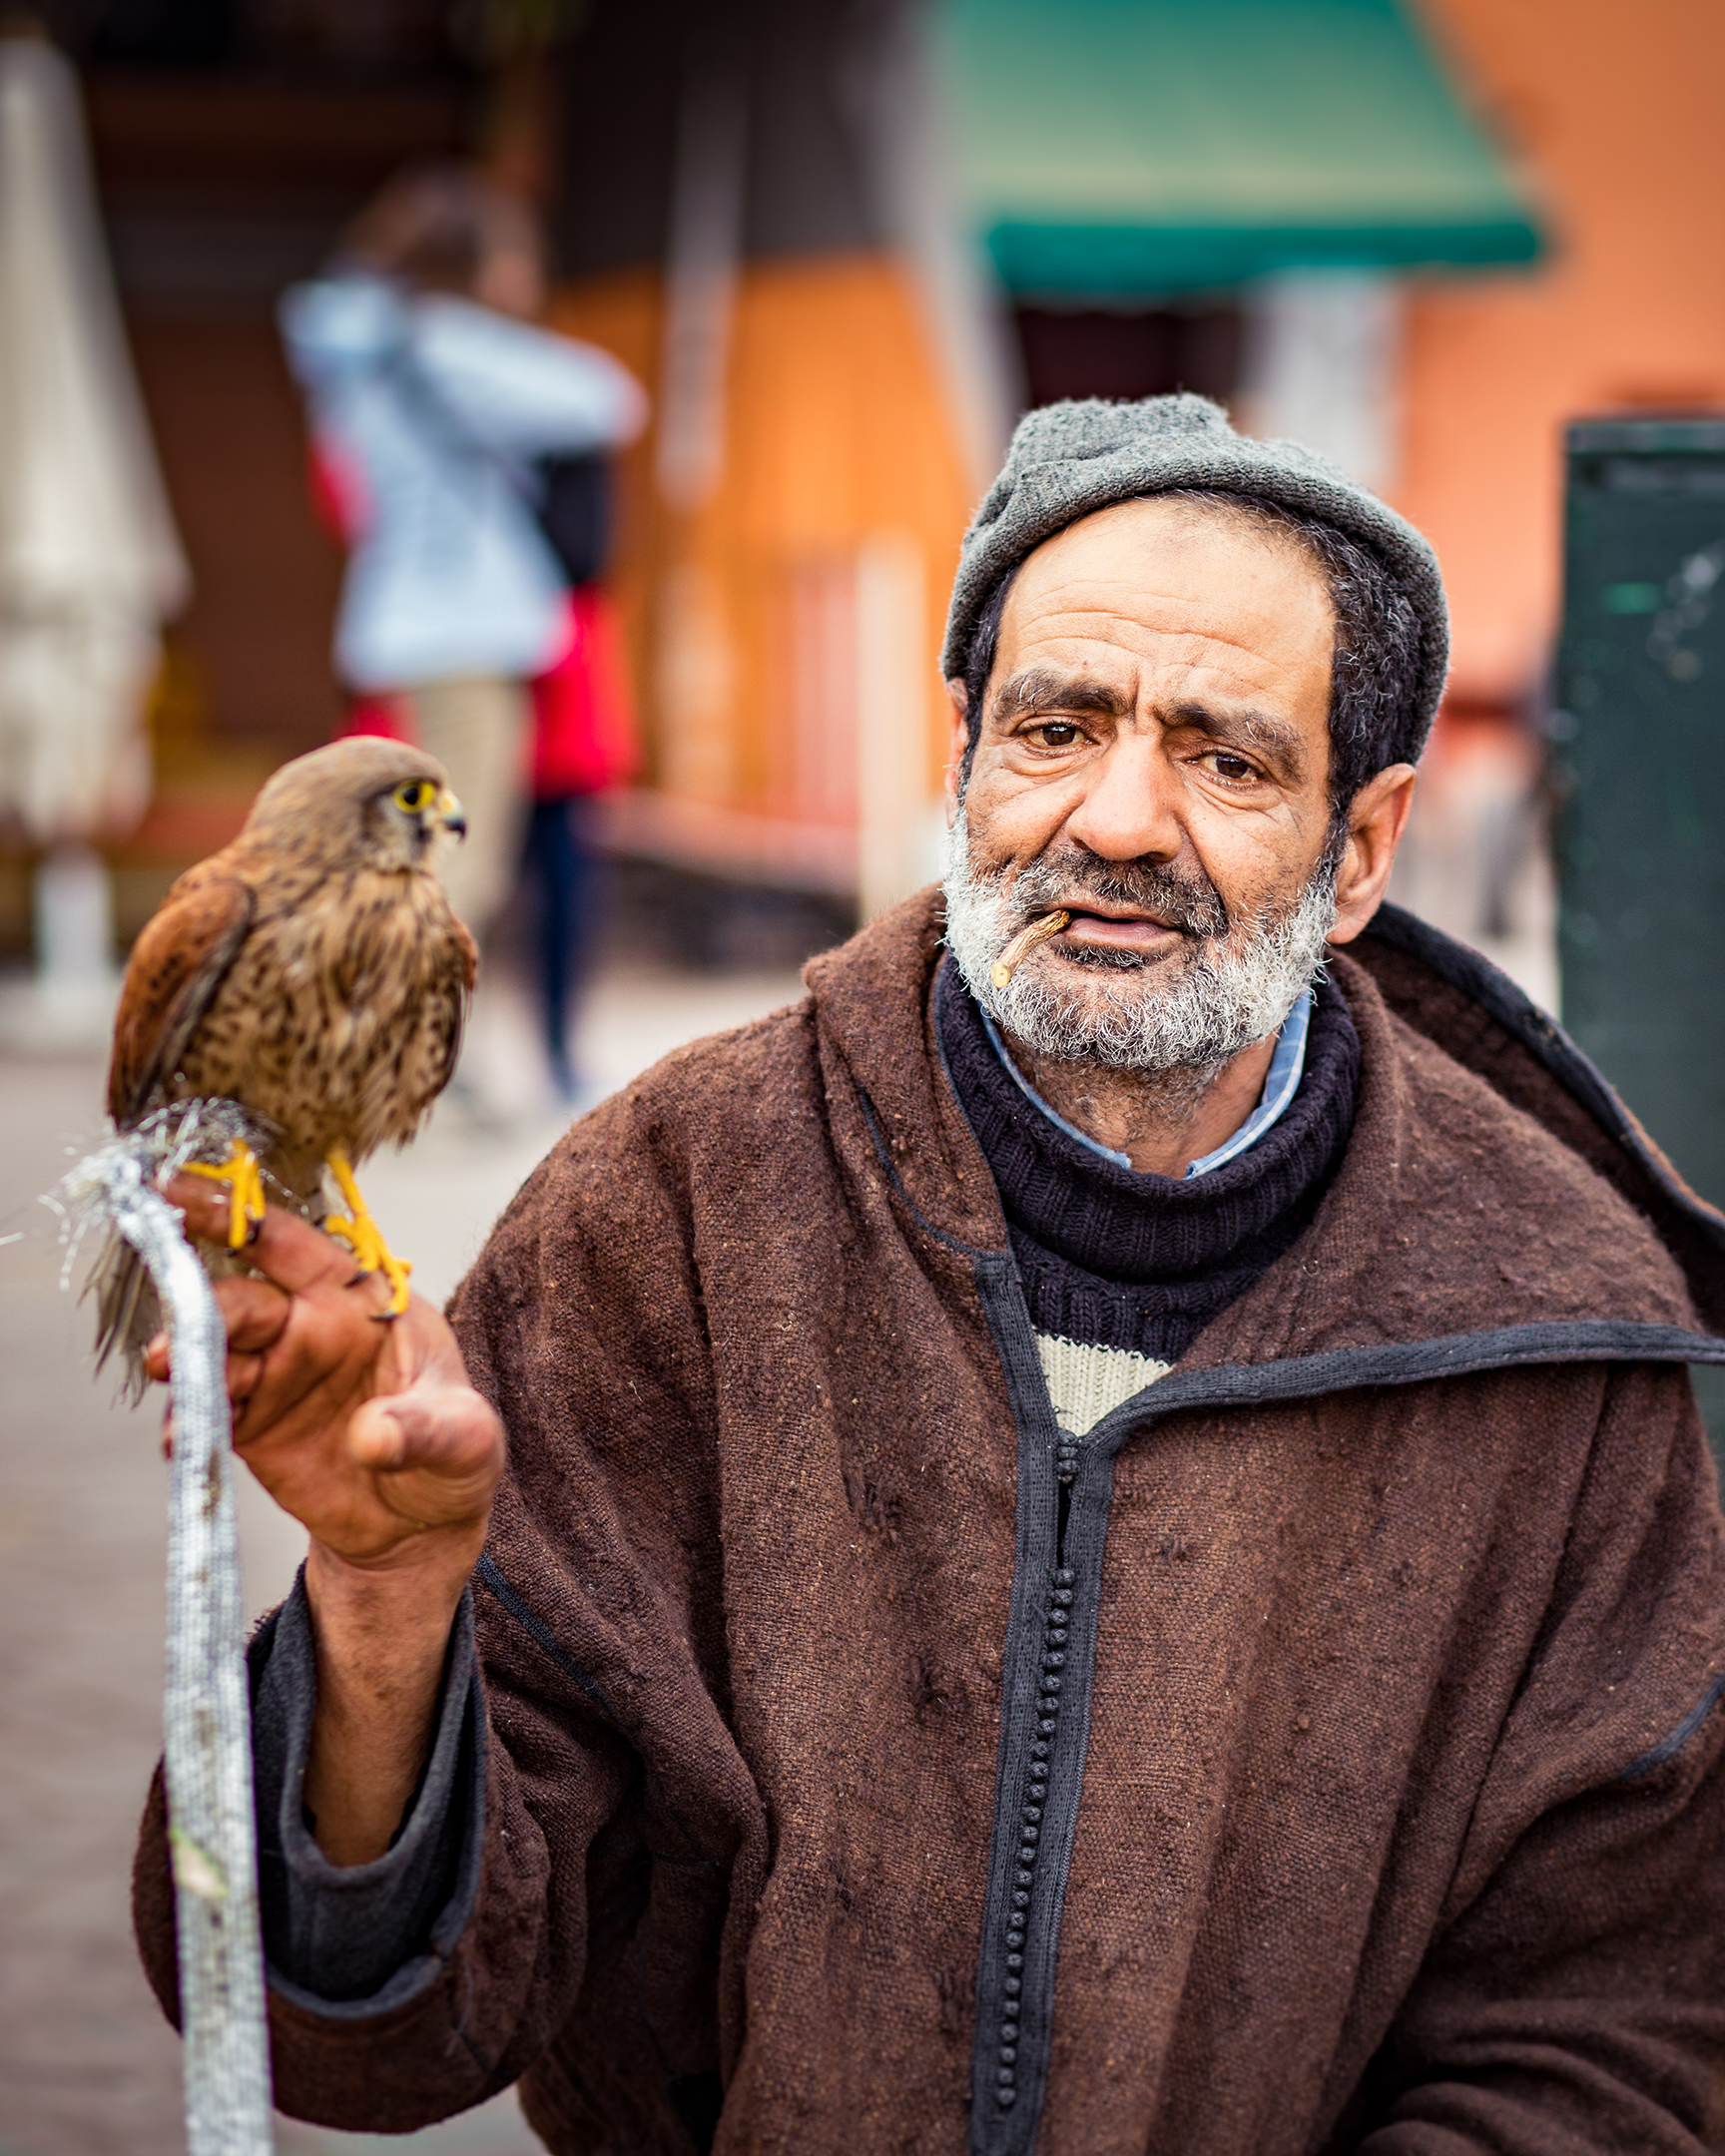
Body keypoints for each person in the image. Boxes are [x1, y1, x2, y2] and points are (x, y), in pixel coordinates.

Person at [135, 396, 1725, 2154]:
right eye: (1054, 729)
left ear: (1355, 851)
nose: (1114, 821)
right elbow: (361, 2036)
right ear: (962, 755)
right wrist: (383, 1597)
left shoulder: (1555, 1337)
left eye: (1225, 759)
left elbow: (1613, 2042)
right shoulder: (666, 1207)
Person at [281, 164, 647, 949]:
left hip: (404, 621)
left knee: (423, 842)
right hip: (463, 630)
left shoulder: (358, 353)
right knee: (456, 852)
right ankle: (404, 1043)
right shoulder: (438, 343)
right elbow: (606, 399)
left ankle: (414, 1039)